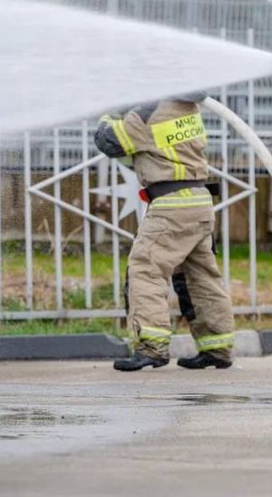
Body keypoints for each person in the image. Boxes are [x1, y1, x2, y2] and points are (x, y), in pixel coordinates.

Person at [94, 94, 235, 371]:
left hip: (172, 205)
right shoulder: (189, 107)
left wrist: (110, 112)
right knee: (201, 276)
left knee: (145, 268)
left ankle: (151, 347)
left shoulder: (148, 112)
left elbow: (109, 140)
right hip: (199, 202)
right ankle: (217, 347)